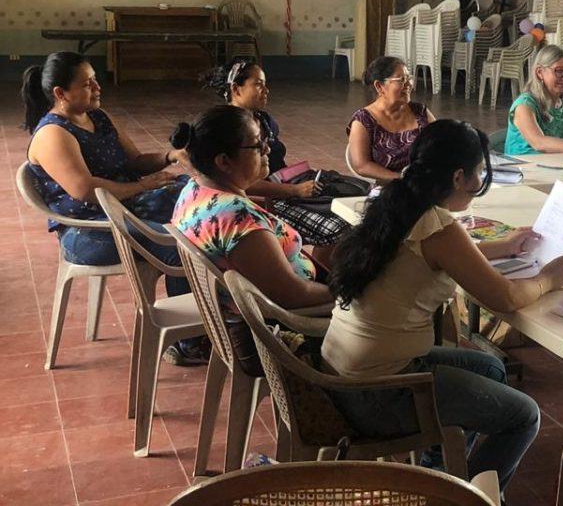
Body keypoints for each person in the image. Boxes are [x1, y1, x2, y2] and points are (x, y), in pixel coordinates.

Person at [323, 120, 563, 491]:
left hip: (347, 369)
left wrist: (503, 246)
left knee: (491, 368)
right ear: (457, 177)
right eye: (479, 172)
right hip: (381, 393)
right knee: (524, 416)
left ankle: (443, 469)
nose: (481, 180)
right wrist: (549, 279)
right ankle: (463, 496)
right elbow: (505, 298)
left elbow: (435, 256)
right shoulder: (438, 225)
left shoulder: (398, 201)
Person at [21, 52, 200, 364]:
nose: (97, 88)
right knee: (182, 244)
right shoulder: (53, 133)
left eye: (95, 80)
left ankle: (213, 321)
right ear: (60, 94)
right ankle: (187, 342)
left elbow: (134, 162)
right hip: (89, 233)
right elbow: (86, 190)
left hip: (125, 212)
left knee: (198, 205)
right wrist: (143, 186)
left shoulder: (98, 118)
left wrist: (170, 156)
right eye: (87, 84)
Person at [171, 105, 330, 374]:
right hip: (275, 332)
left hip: (245, 319)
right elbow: (292, 295)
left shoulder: (195, 188)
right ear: (224, 161)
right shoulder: (237, 218)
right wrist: (351, 296)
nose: (267, 150)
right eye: (257, 146)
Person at [204, 60, 350, 245]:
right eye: (258, 84)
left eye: (265, 84)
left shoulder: (264, 121)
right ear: (236, 89)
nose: (266, 90)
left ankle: (324, 267)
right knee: (338, 227)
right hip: (266, 200)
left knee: (345, 201)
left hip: (283, 188)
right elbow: (240, 183)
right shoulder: (226, 130)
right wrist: (293, 191)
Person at [348, 57, 435, 181]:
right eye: (402, 80)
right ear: (379, 86)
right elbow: (362, 166)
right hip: (388, 189)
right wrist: (401, 179)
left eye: (409, 78)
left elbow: (441, 144)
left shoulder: (420, 112)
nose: (409, 84)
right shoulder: (363, 120)